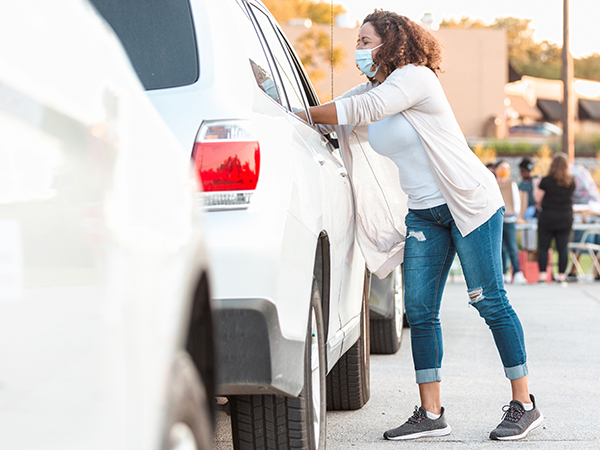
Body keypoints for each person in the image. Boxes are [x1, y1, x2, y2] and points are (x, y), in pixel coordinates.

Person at [297, 10, 542, 441]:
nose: (358, 49)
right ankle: (432, 415)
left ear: (390, 42)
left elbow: (362, 109)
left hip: (468, 203)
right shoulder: (377, 86)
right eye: (357, 41)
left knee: (489, 301)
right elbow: (339, 115)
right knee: (421, 310)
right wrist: (289, 111)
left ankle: (524, 403)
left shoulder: (415, 78)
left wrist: (307, 111)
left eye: (364, 40)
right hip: (425, 212)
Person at [534, 153, 576, 286]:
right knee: (562, 247)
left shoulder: (546, 180)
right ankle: (562, 276)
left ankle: (542, 277)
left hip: (548, 217)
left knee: (543, 247)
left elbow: (537, 198)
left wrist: (536, 184)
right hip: (565, 217)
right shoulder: (571, 181)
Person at [495, 160, 527, 284]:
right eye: (502, 167)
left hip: (509, 220)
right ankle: (503, 272)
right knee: (500, 248)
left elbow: (516, 201)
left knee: (512, 247)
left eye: (506, 168)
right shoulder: (492, 183)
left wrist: (516, 214)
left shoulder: (511, 184)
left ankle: (517, 272)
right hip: (498, 220)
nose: (504, 170)